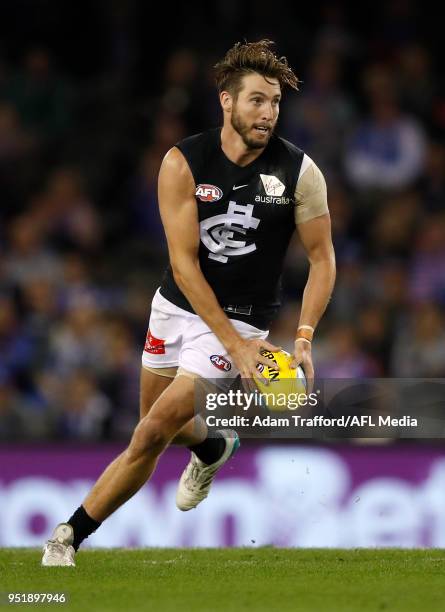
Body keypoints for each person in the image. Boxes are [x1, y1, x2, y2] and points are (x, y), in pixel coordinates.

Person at [42, 39, 336, 566]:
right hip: (177, 306)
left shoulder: (299, 173)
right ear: (226, 101)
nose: (267, 113)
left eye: (274, 103)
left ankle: (67, 535)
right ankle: (212, 447)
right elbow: (184, 265)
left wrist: (302, 338)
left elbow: (322, 259)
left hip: (243, 323)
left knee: (149, 432)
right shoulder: (182, 163)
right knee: (164, 427)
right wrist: (231, 346)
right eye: (256, 101)